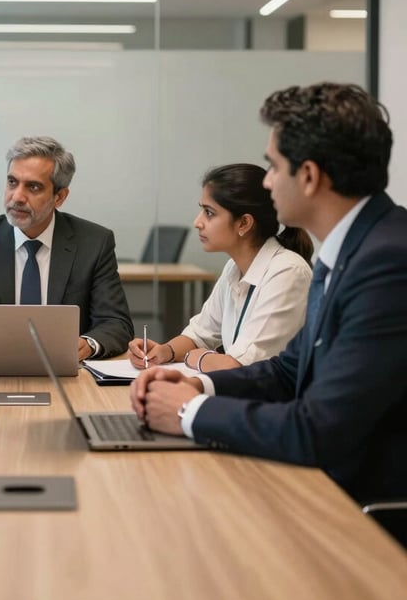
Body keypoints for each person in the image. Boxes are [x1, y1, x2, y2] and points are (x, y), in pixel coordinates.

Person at [131, 82, 407, 509]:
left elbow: (318, 430)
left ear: (310, 177)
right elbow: (285, 373)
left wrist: (189, 412)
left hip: (360, 509)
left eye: (274, 166)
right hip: (324, 484)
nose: (267, 180)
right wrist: (195, 382)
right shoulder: (353, 249)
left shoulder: (387, 262)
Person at [0, 136, 134, 360]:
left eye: (33, 187)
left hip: (67, 373)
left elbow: (116, 323)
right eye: (12, 182)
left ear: (59, 197)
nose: (17, 197)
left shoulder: (94, 243)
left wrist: (88, 344)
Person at [128, 164, 313, 372]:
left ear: (244, 223)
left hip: (273, 400)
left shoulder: (287, 272)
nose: (197, 222)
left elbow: (242, 365)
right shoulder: (234, 267)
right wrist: (164, 351)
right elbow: (200, 333)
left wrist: (198, 358)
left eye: (209, 213)